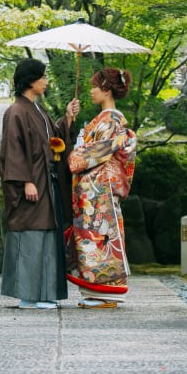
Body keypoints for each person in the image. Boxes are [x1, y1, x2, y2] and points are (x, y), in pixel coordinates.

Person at [0, 58, 80, 310]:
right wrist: (25, 181)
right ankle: (28, 296)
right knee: (32, 236)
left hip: (48, 183)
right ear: (30, 80)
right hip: (33, 185)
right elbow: (13, 150)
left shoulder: (36, 110)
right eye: (42, 77)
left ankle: (44, 294)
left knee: (48, 237)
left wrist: (67, 118)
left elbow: (52, 139)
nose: (46, 81)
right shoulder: (16, 112)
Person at [65, 67, 137, 309]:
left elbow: (98, 152)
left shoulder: (112, 119)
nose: (91, 91)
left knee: (102, 238)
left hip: (100, 190)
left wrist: (76, 152)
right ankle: (95, 292)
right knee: (93, 238)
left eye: (95, 86)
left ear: (106, 89)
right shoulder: (105, 119)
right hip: (95, 190)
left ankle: (106, 293)